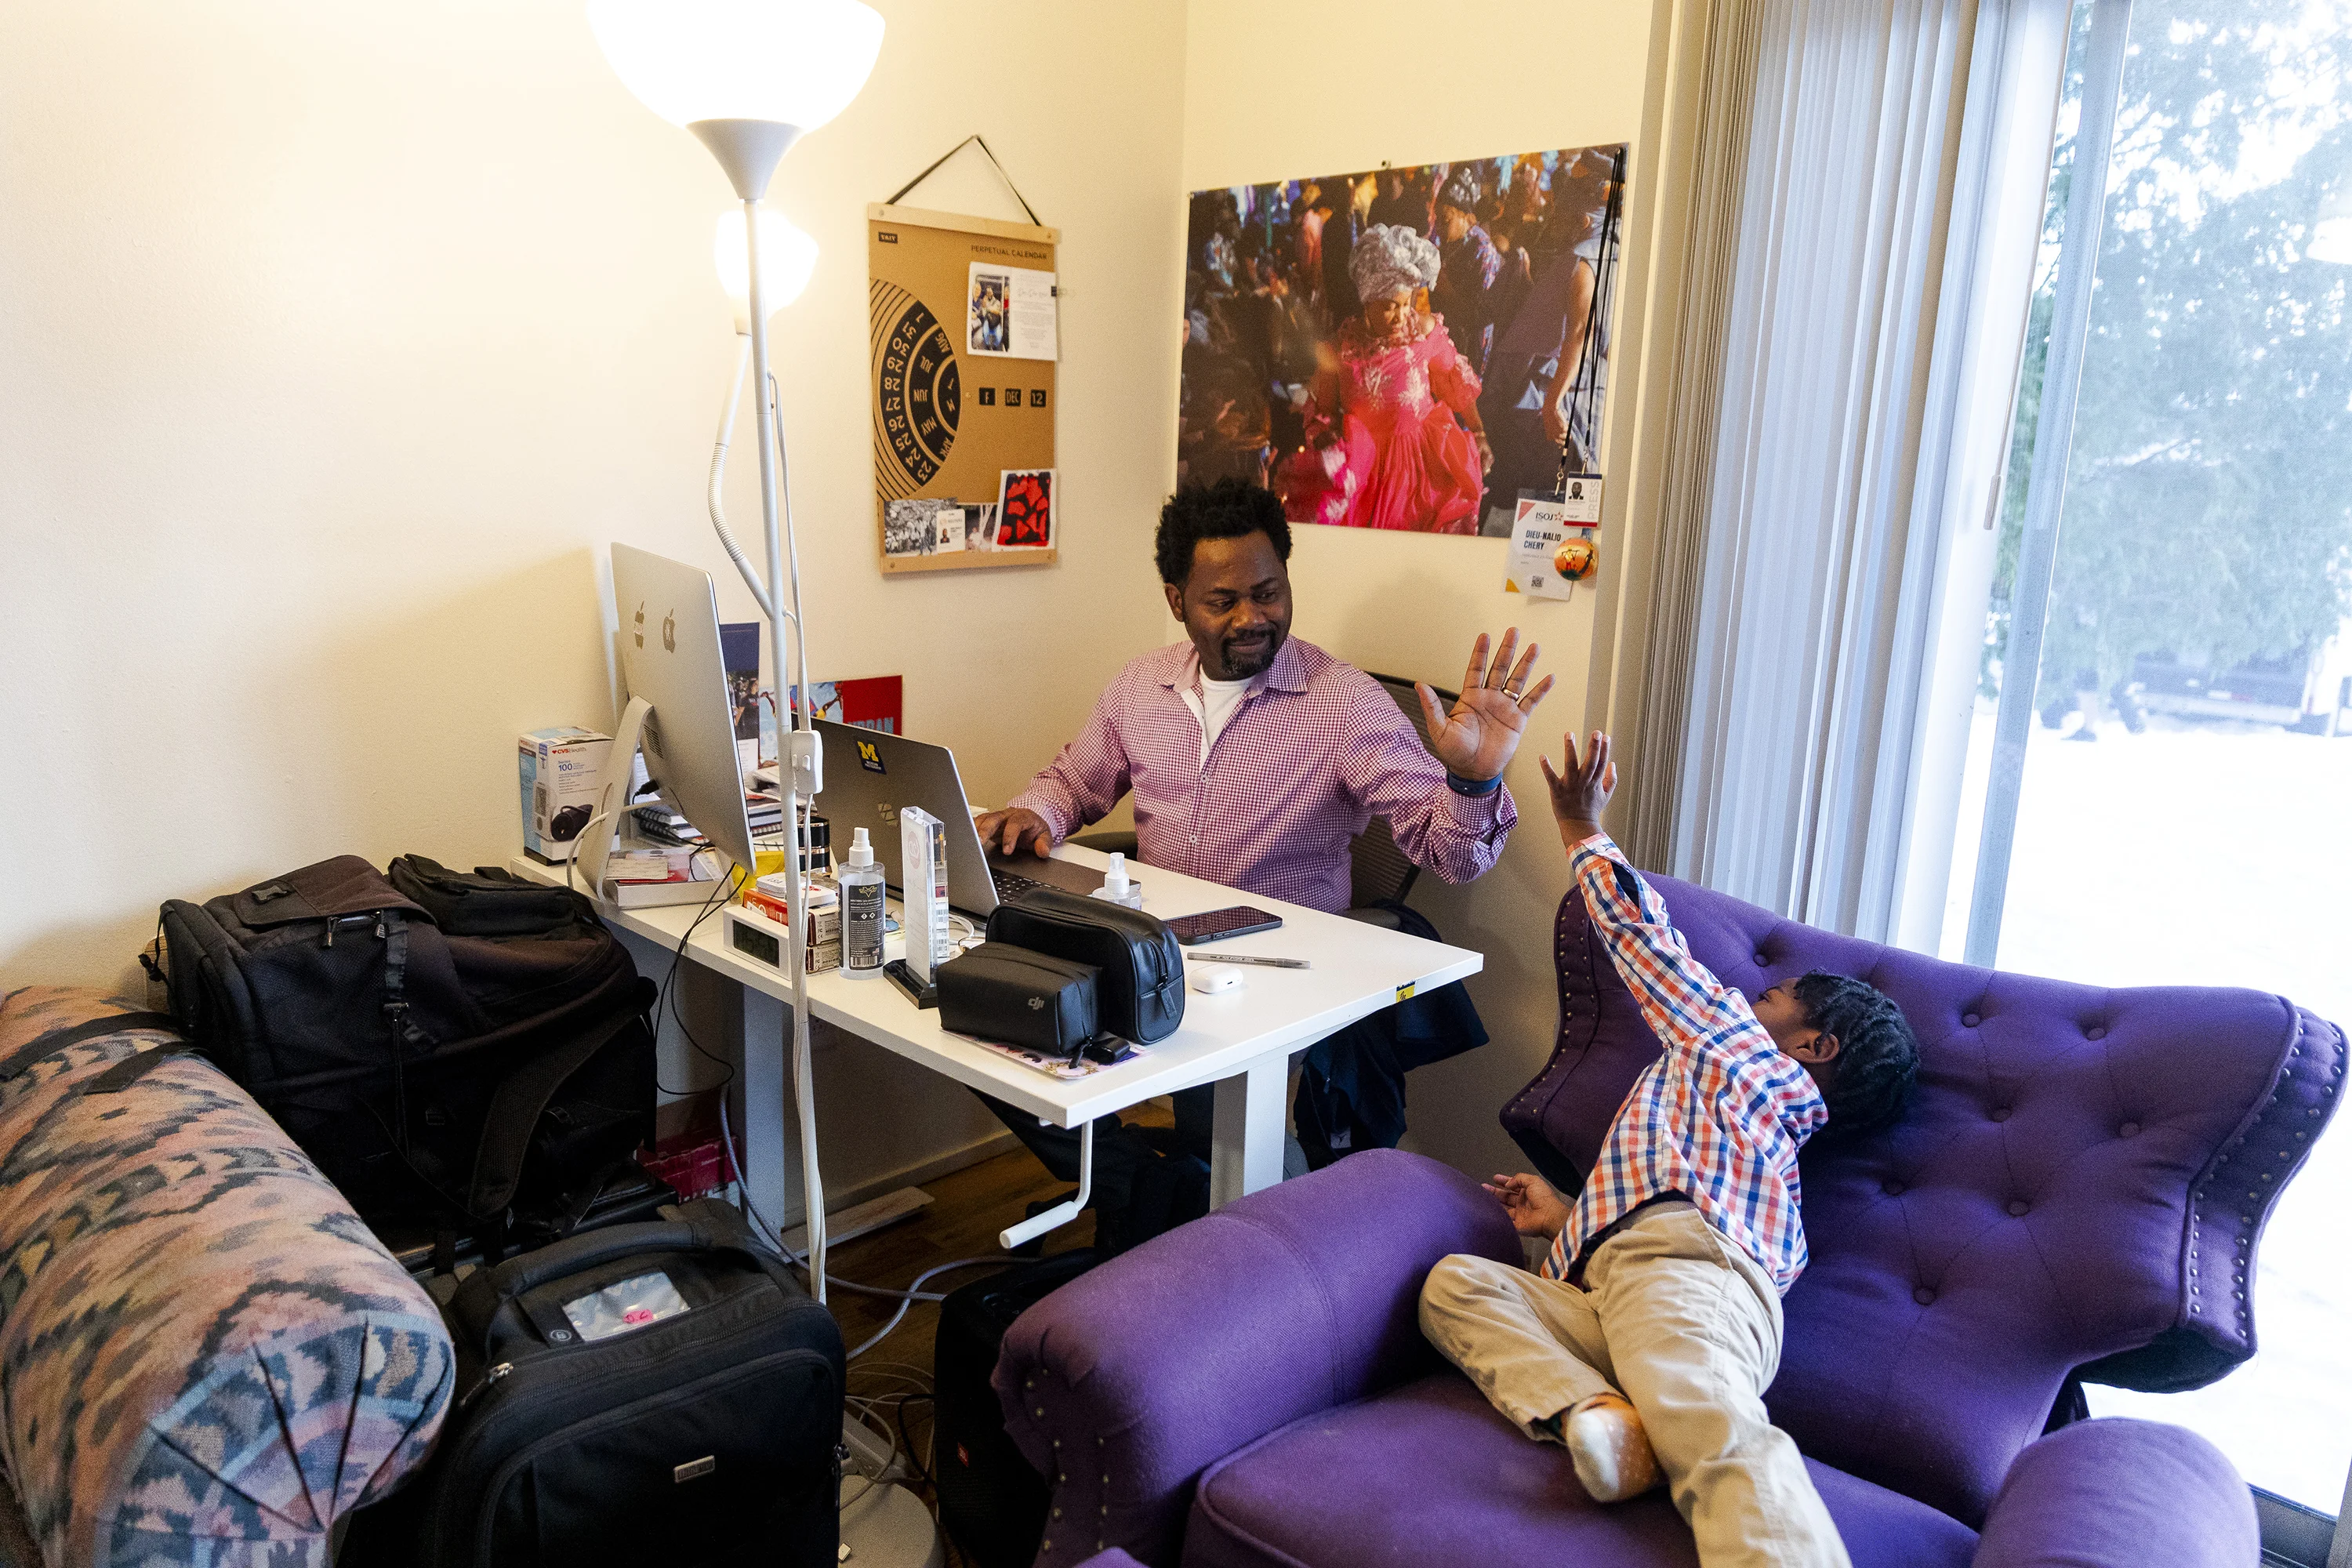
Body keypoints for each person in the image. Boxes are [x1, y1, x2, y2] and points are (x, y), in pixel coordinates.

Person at [970, 478, 1555, 1224]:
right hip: (1149, 950)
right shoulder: (1141, 686)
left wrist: (1473, 782)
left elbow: (1450, 854)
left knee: (1215, 1136)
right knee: (986, 1012)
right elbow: (1074, 781)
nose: (1252, 618)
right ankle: (1150, 1192)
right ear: (1177, 600)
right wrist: (1035, 812)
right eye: (1223, 601)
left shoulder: (1342, 704)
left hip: (1269, 978)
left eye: (1268, 593)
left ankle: (1187, 1212)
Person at [1419, 730, 1918, 1568]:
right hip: (1624, 1288)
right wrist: (1571, 1218)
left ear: (1814, 1046)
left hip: (1692, 1281)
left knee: (1717, 1429)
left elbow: (1648, 944)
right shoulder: (1750, 1133)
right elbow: (1670, 1197)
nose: (1747, 998)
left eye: (1771, 996)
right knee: (1458, 1284)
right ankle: (1603, 1419)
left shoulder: (1736, 1049)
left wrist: (1581, 828)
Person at [1279, 223, 1494, 533]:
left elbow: (1455, 382)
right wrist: (1329, 442)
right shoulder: (1342, 348)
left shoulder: (1423, 332)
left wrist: (1479, 431)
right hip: (1368, 473)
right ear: (1367, 303)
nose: (1400, 316)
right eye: (1389, 308)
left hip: (1420, 467)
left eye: (1406, 304)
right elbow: (1322, 412)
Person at [1431, 166, 1503, 376]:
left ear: (1468, 218)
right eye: (1437, 220)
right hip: (1448, 340)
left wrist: (1448, 292)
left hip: (1471, 348)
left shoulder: (1484, 252)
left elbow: (1483, 315)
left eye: (1446, 220)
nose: (1439, 228)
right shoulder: (1448, 244)